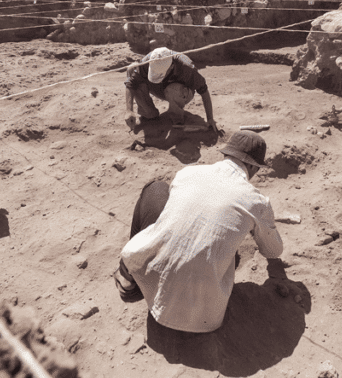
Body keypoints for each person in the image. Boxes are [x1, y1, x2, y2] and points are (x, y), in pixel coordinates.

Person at [113, 131, 284, 333]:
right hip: (204, 319)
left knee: (156, 189)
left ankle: (129, 274)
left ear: (226, 155)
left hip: (147, 289)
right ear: (254, 167)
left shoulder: (188, 173)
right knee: (228, 254)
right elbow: (273, 251)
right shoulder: (257, 202)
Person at [124, 47, 219, 132]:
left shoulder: (186, 67)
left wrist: (210, 118)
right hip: (160, 87)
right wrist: (129, 110)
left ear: (171, 67)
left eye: (160, 74)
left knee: (173, 89)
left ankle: (177, 119)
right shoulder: (149, 60)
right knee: (132, 70)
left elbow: (204, 90)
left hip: (181, 92)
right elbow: (130, 83)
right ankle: (148, 113)